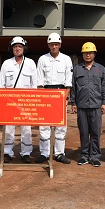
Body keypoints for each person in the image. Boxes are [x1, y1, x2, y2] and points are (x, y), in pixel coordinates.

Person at [0, 36, 37, 163]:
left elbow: (34, 84)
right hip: (10, 101)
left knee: (26, 128)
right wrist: (2, 102)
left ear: (24, 48)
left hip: (26, 101)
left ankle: (26, 153)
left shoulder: (30, 63)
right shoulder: (6, 64)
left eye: (20, 46)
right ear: (12, 48)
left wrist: (32, 102)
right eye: (15, 47)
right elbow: (1, 84)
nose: (17, 49)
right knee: (9, 128)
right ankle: (7, 152)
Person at [35, 32, 73, 164]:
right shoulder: (42, 59)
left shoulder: (66, 59)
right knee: (44, 126)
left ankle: (59, 153)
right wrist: (42, 97)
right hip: (46, 93)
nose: (54, 46)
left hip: (60, 93)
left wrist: (66, 96)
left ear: (60, 45)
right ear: (48, 45)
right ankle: (44, 153)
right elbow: (39, 80)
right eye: (52, 44)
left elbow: (68, 80)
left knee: (60, 126)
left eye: (56, 44)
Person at [71, 42, 105, 167]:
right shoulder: (77, 69)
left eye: (90, 53)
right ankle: (84, 156)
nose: (88, 55)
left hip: (96, 106)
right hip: (81, 106)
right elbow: (73, 88)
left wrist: (104, 103)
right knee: (83, 132)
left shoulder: (101, 69)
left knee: (95, 133)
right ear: (82, 54)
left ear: (94, 54)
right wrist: (73, 103)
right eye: (85, 53)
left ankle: (95, 156)